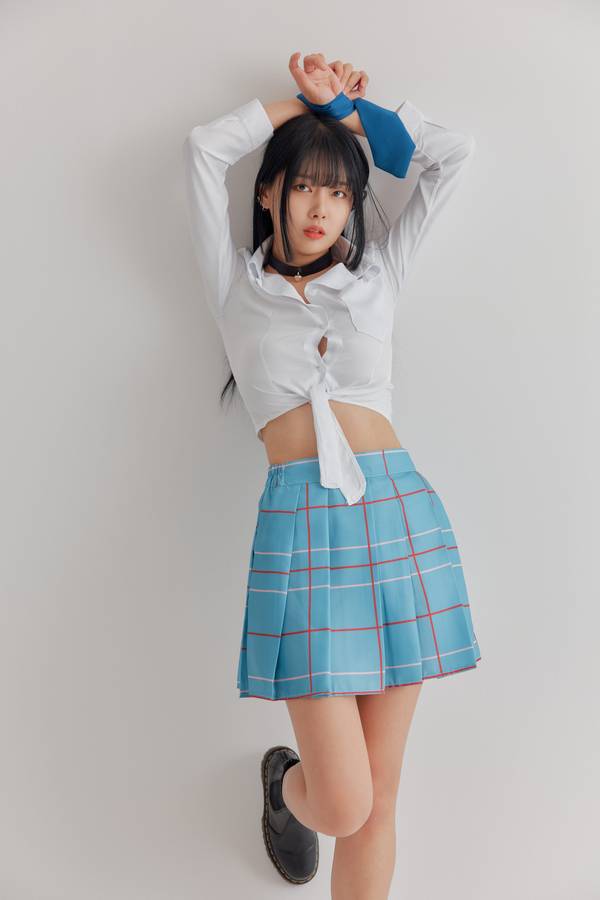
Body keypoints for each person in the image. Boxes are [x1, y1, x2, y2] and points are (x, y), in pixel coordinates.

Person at [182, 50, 482, 896]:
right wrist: (301, 108)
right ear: (269, 193)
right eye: (306, 186)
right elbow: (203, 150)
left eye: (341, 191)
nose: (323, 208)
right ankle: (286, 787)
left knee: (379, 802)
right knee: (344, 803)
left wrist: (354, 118)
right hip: (302, 527)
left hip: (400, 516)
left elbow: (455, 156)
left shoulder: (377, 277)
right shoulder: (235, 288)